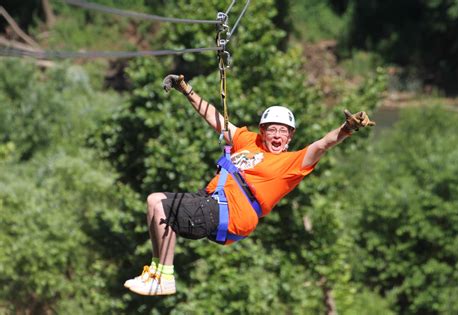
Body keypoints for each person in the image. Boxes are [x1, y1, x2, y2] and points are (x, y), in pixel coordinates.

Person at [124, 74, 375, 296]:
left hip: (232, 213)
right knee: (154, 203)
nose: (277, 136)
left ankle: (164, 277)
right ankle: (157, 272)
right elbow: (215, 118)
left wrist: (347, 128)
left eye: (283, 132)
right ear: (262, 132)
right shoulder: (248, 141)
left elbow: (322, 144)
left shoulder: (291, 163)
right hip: (213, 201)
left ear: (290, 137)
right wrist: (187, 91)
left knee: (159, 204)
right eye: (272, 130)